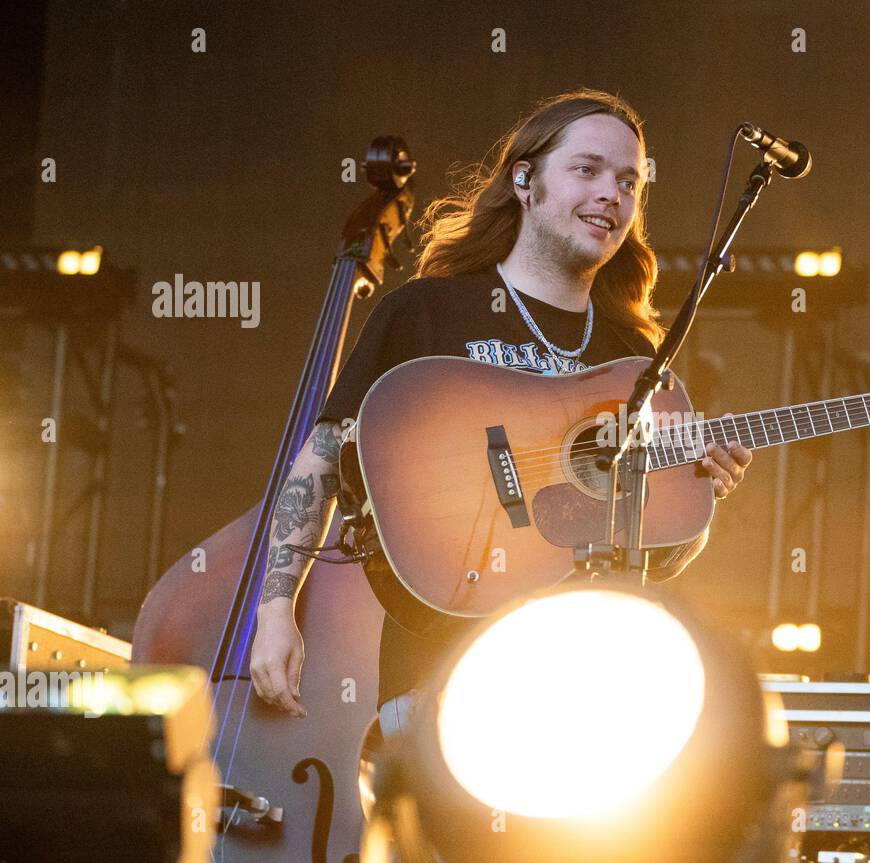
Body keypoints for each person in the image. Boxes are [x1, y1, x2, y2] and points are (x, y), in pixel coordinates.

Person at [249, 89, 752, 732]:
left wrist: (700, 496)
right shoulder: (425, 312)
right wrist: (274, 613)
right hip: (442, 683)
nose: (612, 194)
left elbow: (649, 550)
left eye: (630, 181)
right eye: (588, 169)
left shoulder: (635, 357)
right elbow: (321, 461)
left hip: (582, 695)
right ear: (525, 181)